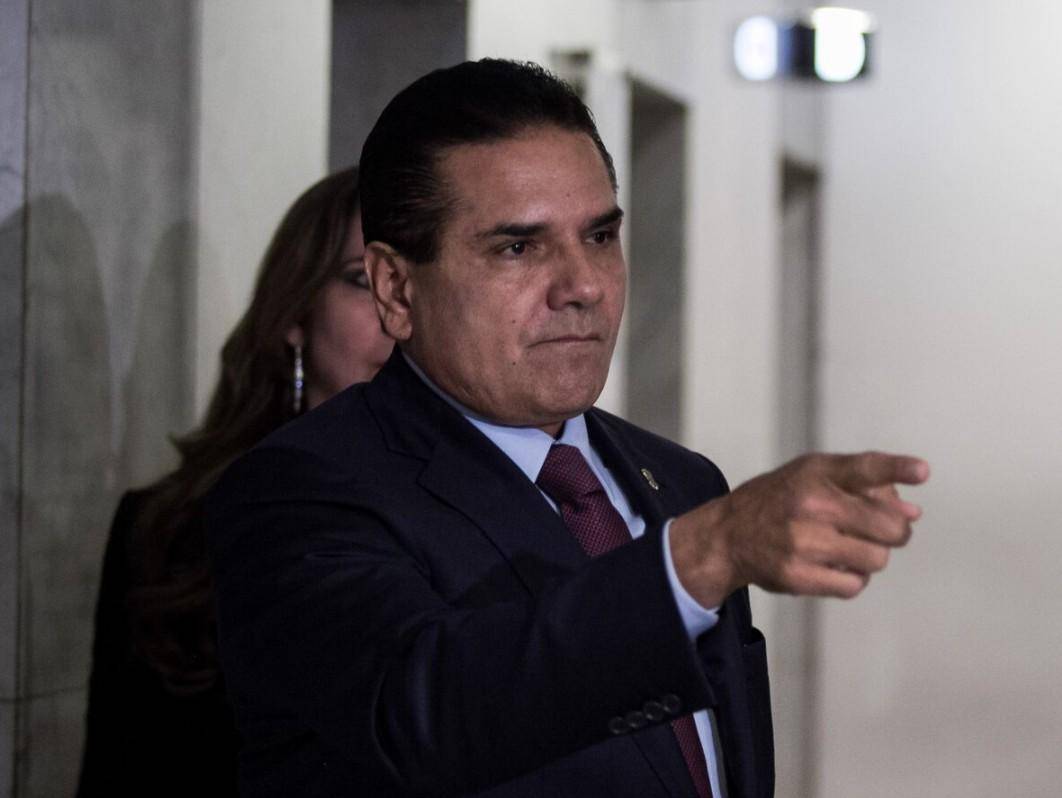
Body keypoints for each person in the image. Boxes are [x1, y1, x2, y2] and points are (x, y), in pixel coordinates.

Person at [208, 60, 929, 798]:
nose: (583, 286)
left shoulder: (682, 481)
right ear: (396, 288)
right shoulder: (299, 490)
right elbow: (424, 708)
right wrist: (704, 556)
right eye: (518, 248)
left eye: (600, 236)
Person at [77, 165, 394, 797]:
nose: (395, 314)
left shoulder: (486, 509)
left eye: (412, 285)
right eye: (363, 281)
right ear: (296, 312)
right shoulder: (169, 528)